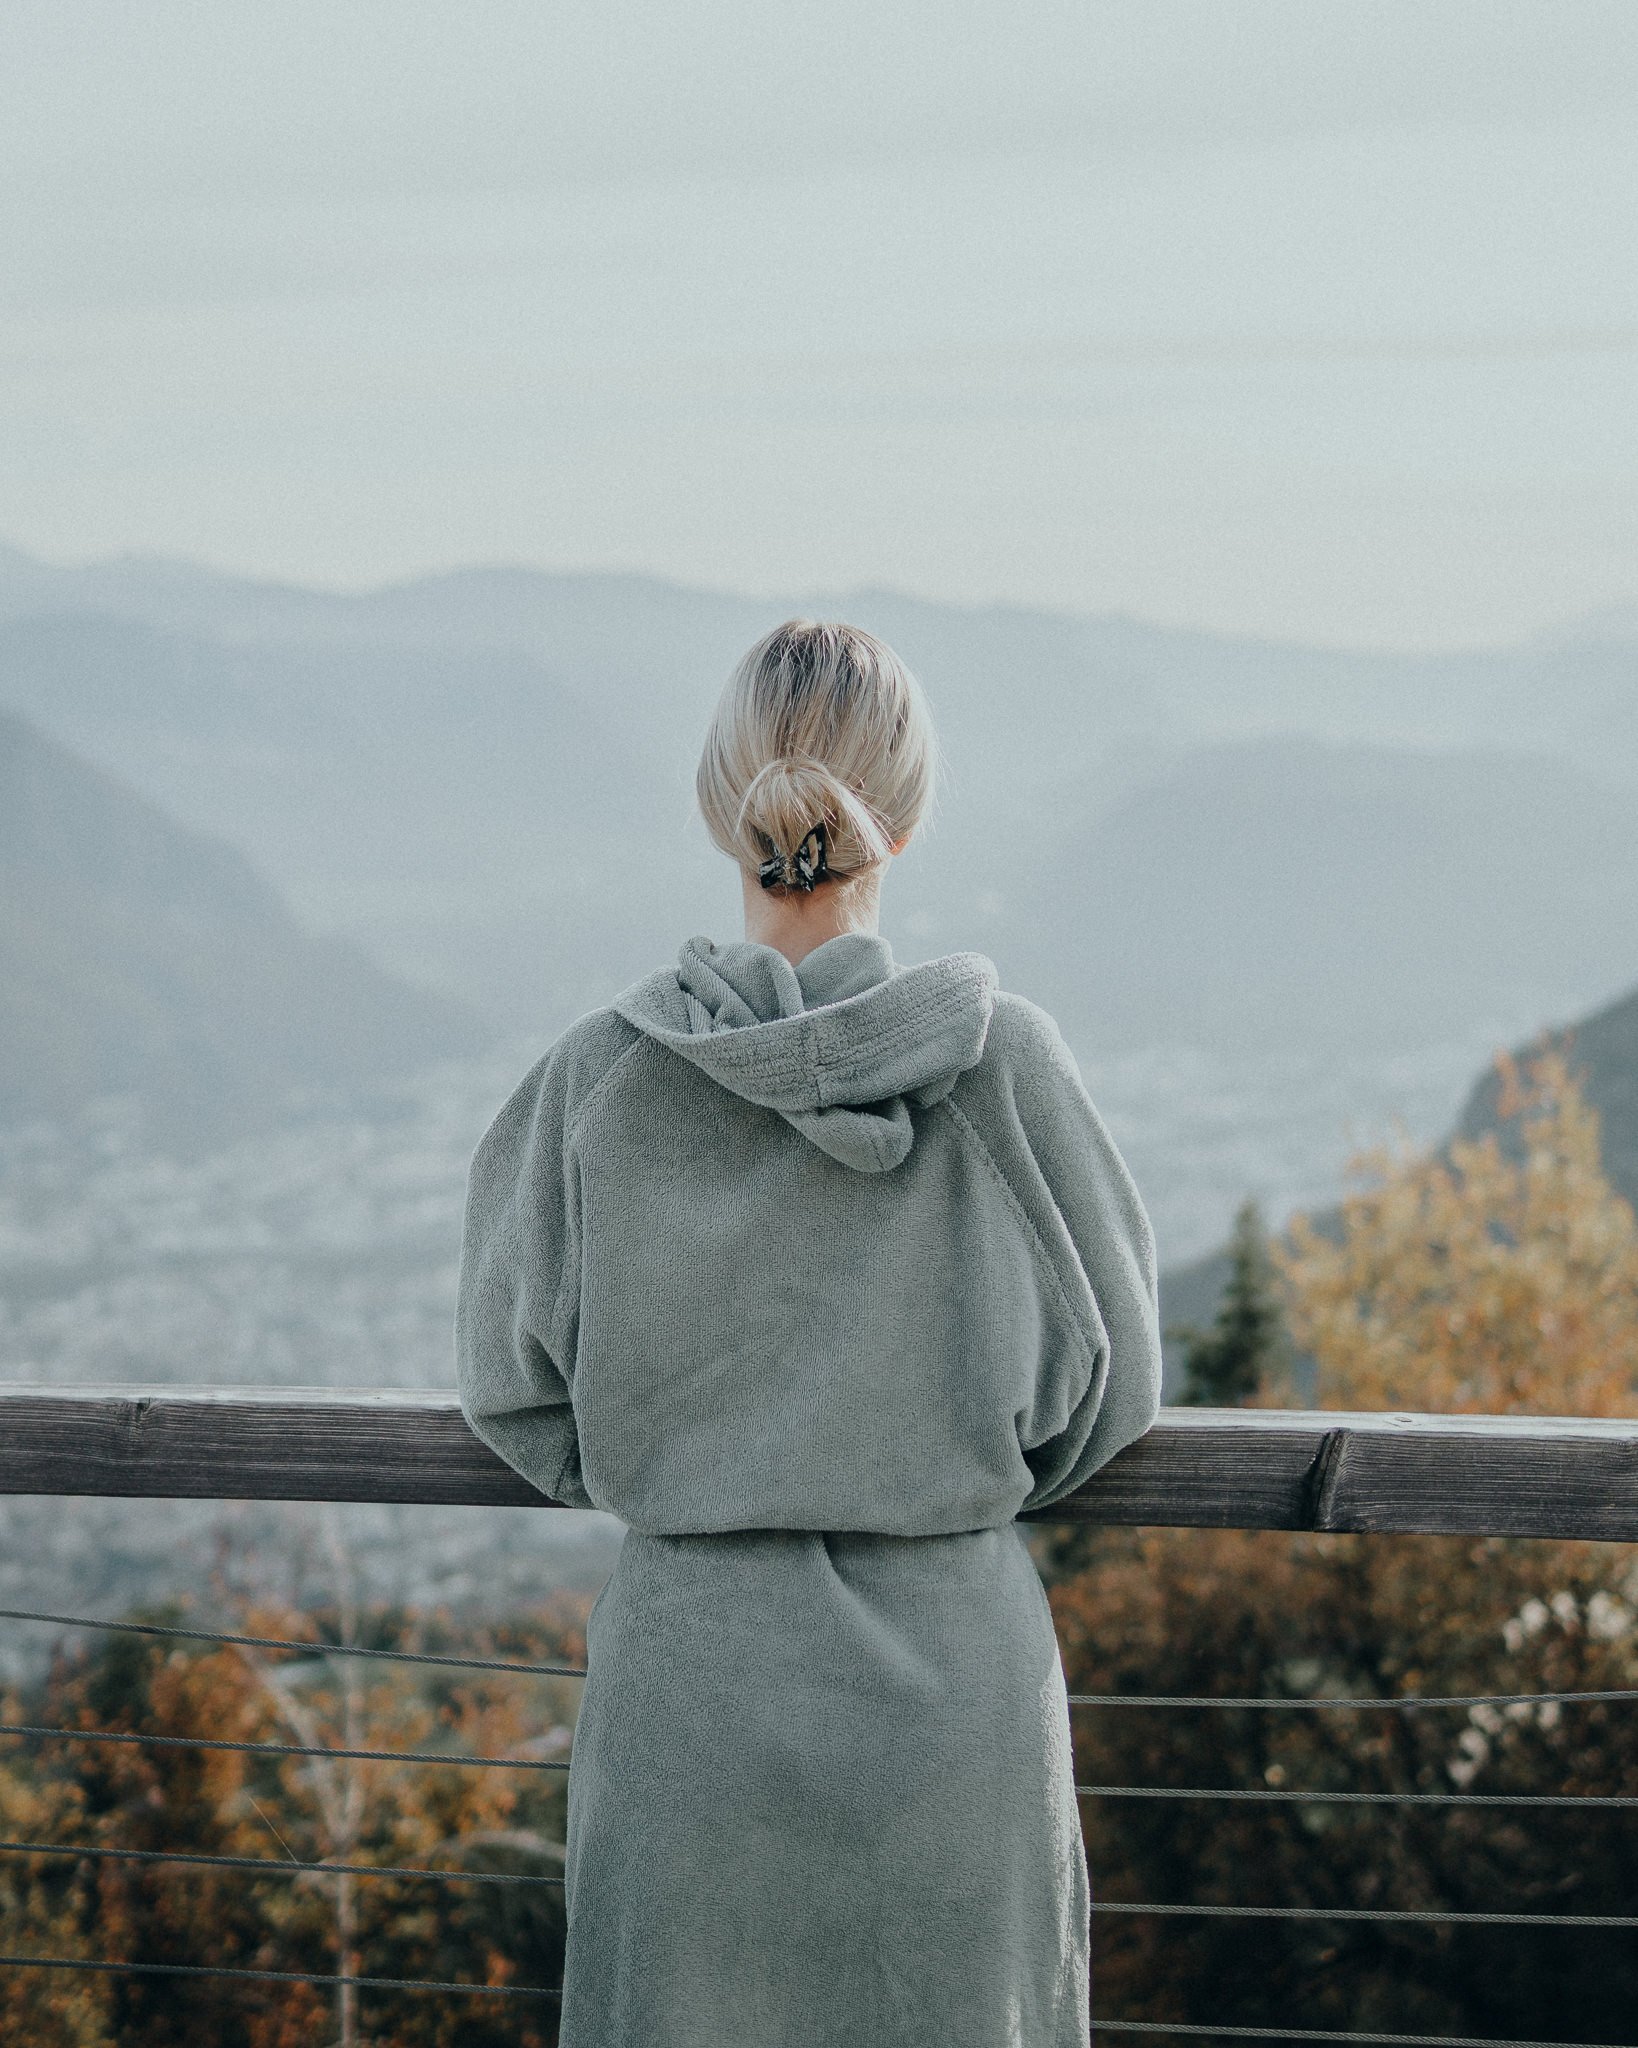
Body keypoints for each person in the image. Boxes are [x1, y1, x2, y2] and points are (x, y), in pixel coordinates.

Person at [455, 618, 1163, 2048]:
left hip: (690, 1709)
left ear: (721, 805)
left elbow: (515, 1395)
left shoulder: (596, 1084)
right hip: (956, 1708)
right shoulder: (1005, 1071)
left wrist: (698, 1474)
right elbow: (1110, 1393)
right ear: (909, 810)